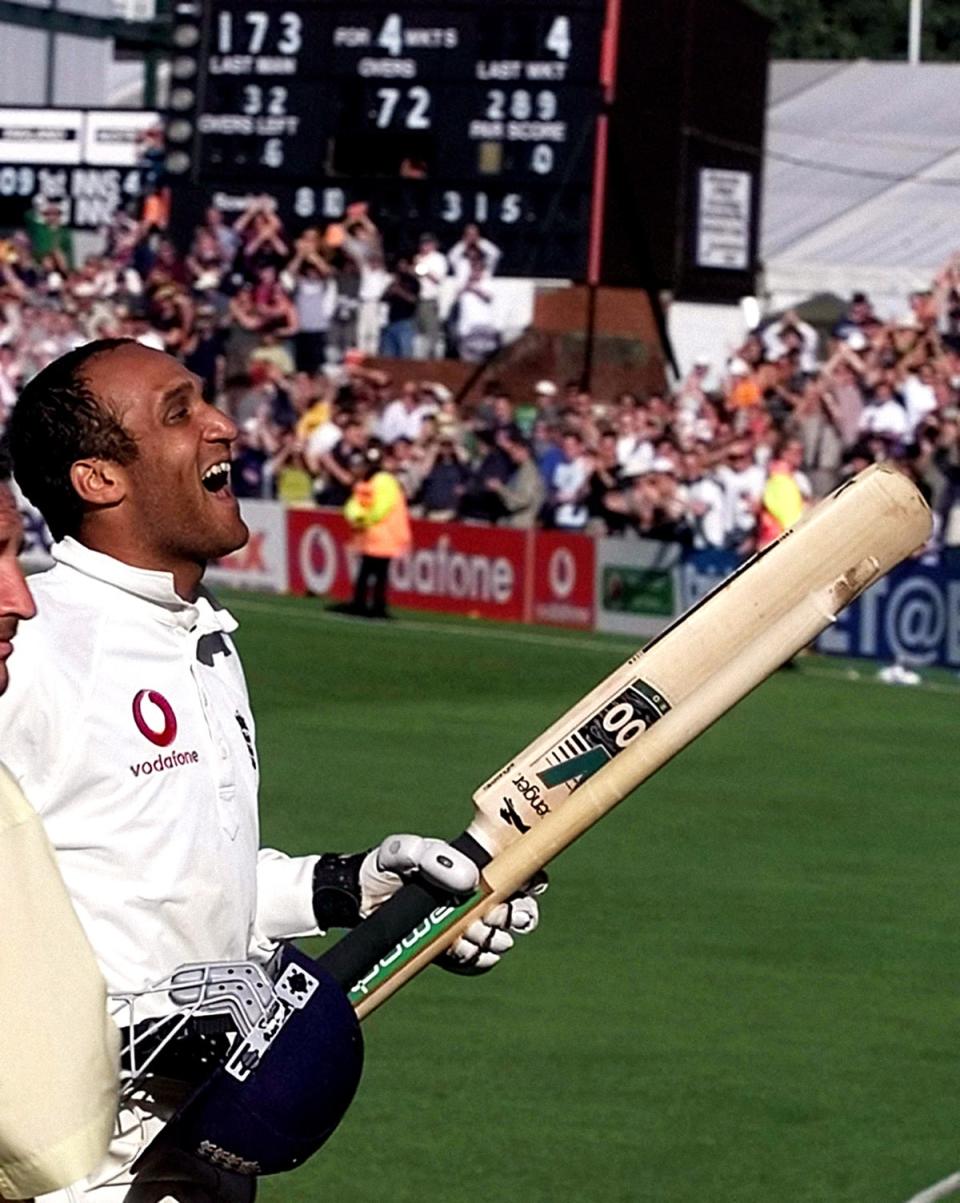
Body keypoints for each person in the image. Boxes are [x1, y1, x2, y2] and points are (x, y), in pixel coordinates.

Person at [0, 339, 542, 1201]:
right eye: (180, 412)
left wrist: (361, 890)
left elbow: (179, 888)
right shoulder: (27, 645)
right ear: (99, 478)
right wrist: (135, 1035)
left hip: (205, 1164)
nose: (224, 425)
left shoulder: (204, 638)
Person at [340, 443, 411, 618]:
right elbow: (368, 507)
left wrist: (360, 519)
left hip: (376, 534)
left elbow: (365, 507)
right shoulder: (380, 482)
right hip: (381, 535)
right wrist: (362, 518)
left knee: (370, 571)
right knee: (375, 572)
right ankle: (372, 606)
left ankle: (364, 604)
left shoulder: (374, 482)